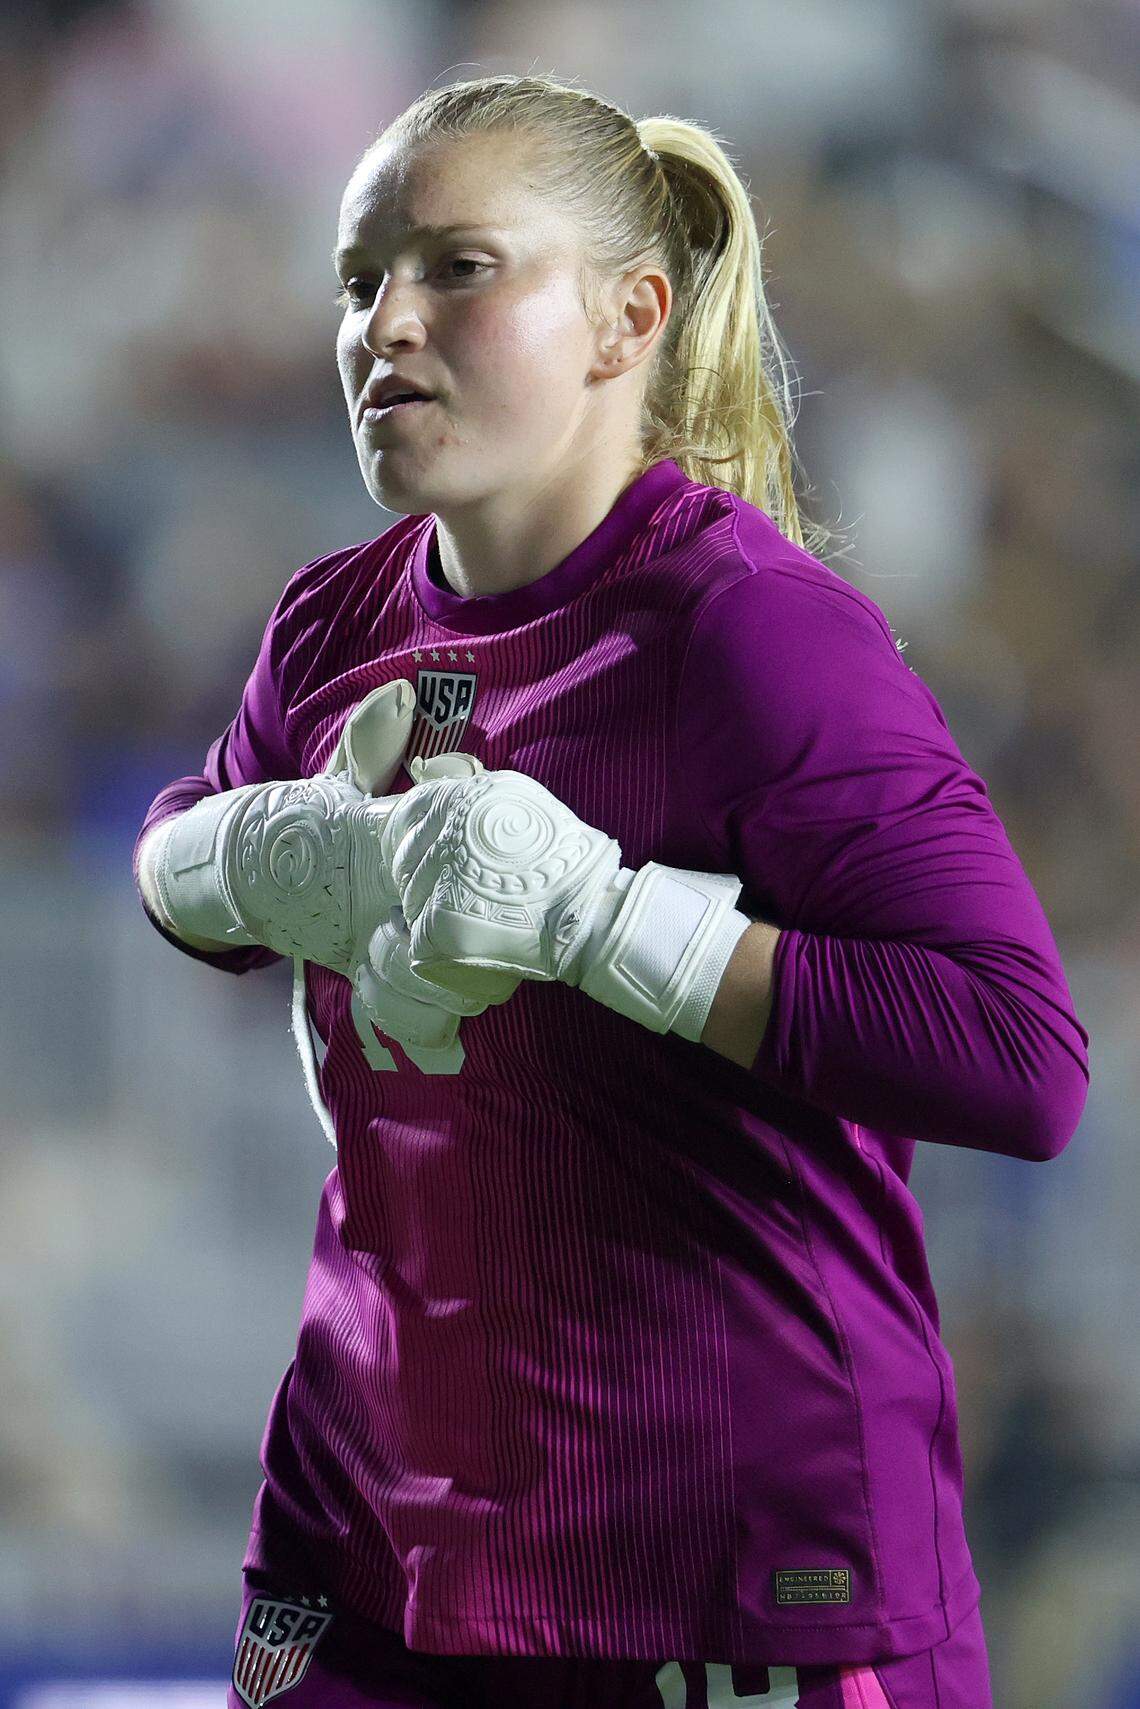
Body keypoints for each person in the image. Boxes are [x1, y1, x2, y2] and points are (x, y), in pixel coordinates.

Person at [132, 72, 1090, 1709]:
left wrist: (602, 922)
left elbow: (1019, 1056)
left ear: (627, 316)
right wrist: (255, 855)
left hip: (733, 1573)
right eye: (359, 279)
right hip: (367, 1554)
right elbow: (182, 856)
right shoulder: (331, 625)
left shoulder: (752, 631)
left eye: (457, 267)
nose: (384, 324)